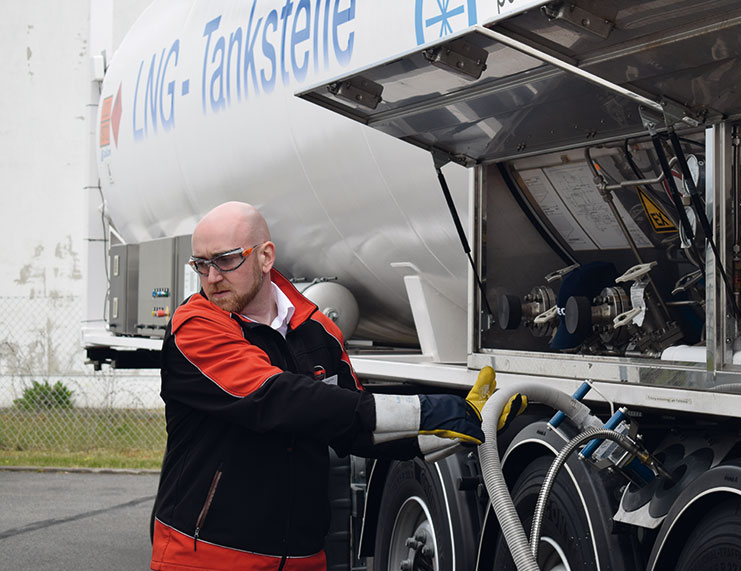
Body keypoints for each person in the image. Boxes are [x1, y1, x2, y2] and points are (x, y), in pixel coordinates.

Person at [150, 201, 517, 571]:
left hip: (303, 558)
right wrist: (429, 409)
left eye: (226, 260)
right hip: (206, 557)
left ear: (265, 256)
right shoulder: (195, 326)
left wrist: (464, 426)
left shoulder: (318, 331)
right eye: (201, 264)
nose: (212, 276)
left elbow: (351, 427)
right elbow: (277, 398)